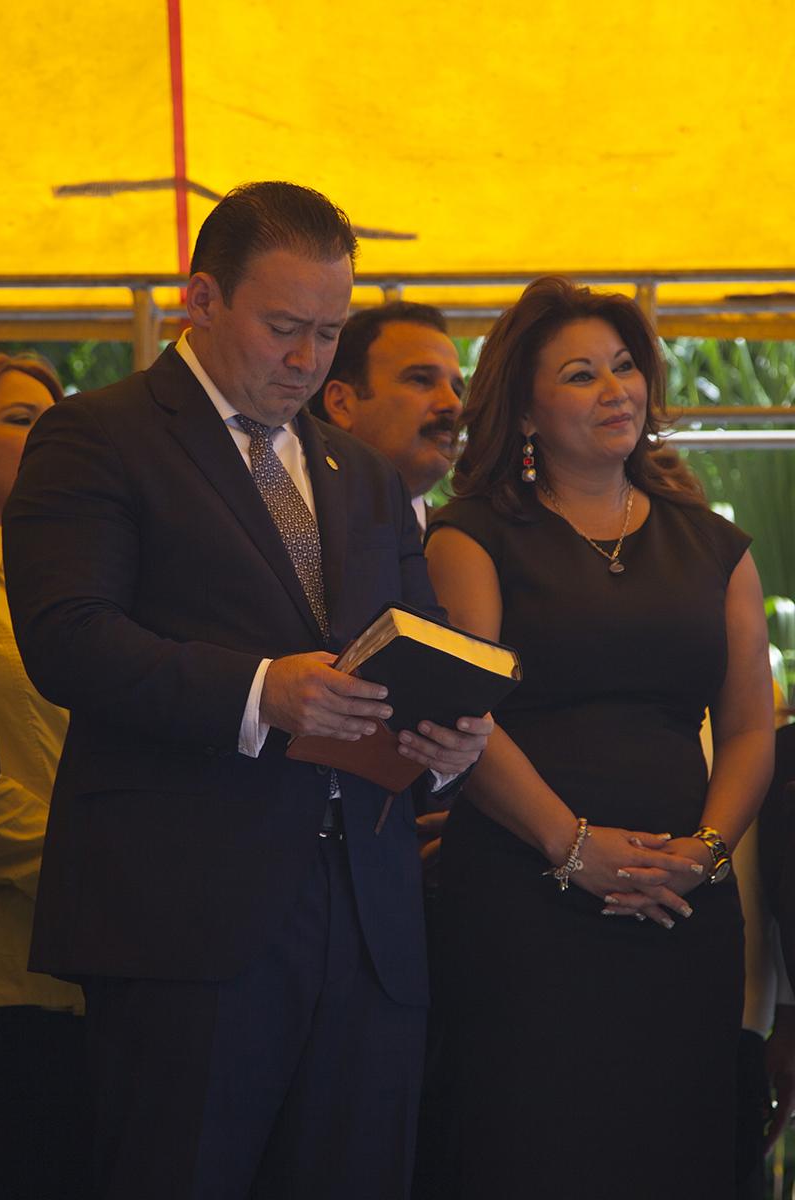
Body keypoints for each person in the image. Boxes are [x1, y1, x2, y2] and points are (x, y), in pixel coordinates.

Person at [2, 182, 491, 1200]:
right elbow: (68, 639)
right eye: (283, 328)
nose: (308, 360)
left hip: (366, 917)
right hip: (186, 918)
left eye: (328, 331)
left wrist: (444, 737)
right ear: (200, 299)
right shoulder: (100, 434)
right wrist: (260, 692)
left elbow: (411, 640)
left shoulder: (356, 471)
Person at [423, 275, 774, 1199]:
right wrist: (571, 847)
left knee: (672, 1151)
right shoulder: (470, 537)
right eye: (581, 375)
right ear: (526, 410)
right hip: (522, 898)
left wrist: (703, 854)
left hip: (679, 905)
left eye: (625, 368)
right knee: (528, 1151)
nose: (616, 389)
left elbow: (745, 729)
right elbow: (466, 717)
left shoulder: (714, 546)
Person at [0, 353, 89, 1198]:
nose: (43, 437)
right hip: (11, 963)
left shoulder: (85, 575)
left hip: (103, 963)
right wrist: (78, 864)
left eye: (52, 421)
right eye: (20, 419)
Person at [310, 301, 464, 533]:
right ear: (341, 404)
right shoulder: (297, 533)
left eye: (457, 390)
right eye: (421, 379)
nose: (453, 404)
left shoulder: (466, 546)